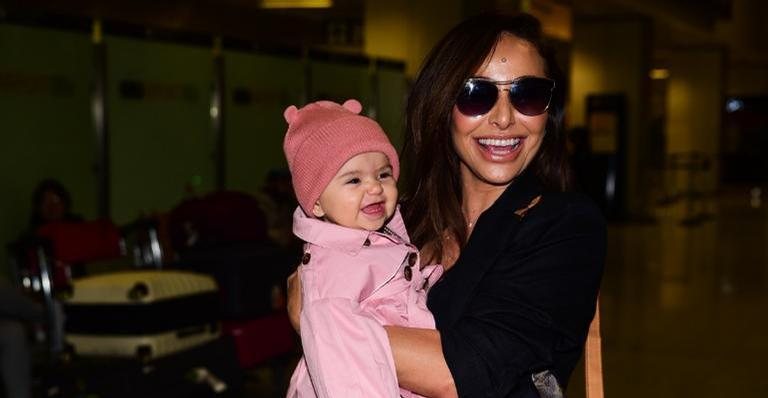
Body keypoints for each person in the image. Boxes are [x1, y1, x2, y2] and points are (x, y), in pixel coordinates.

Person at [289, 12, 605, 398]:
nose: (504, 118)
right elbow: (310, 275)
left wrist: (325, 325)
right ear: (442, 105)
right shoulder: (398, 219)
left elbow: (464, 374)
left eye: (528, 95)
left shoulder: (565, 225)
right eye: (477, 94)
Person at [282, 99, 441, 398]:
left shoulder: (373, 242)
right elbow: (348, 382)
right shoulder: (333, 274)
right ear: (315, 202)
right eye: (354, 180)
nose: (374, 187)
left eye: (383, 174)